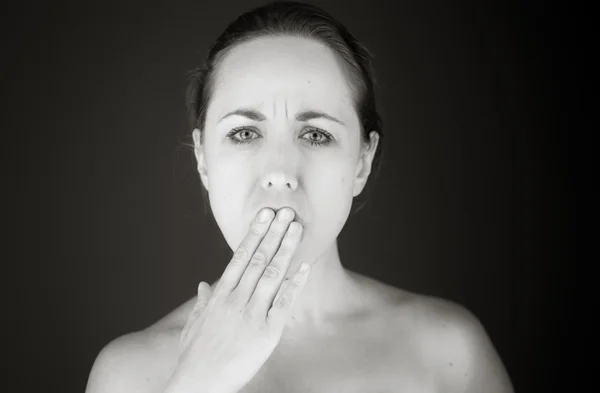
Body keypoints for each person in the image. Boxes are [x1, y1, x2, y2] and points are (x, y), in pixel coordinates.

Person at [85, 1, 514, 392]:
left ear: (362, 162)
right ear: (203, 160)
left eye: (316, 134)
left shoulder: (449, 353)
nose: (279, 172)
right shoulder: (129, 374)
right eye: (244, 133)